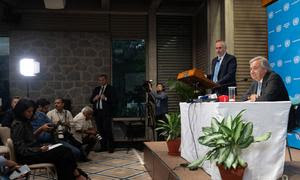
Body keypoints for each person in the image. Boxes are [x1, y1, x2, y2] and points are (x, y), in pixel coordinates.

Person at [11, 98, 88, 180]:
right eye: (28, 111)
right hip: (27, 156)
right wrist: (39, 149)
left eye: (32, 111)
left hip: (33, 151)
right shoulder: (18, 124)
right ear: (21, 111)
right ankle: (77, 175)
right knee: (64, 152)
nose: (31, 114)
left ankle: (76, 175)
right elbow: (21, 150)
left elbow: (29, 139)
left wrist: (41, 134)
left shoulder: (25, 121)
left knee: (63, 152)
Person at [90, 74, 115, 153]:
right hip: (98, 113)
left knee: (108, 130)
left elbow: (114, 101)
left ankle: (111, 147)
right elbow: (91, 100)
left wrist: (105, 98)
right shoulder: (96, 89)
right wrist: (94, 98)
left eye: (103, 80)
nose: (101, 81)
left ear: (106, 80)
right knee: (100, 131)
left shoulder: (111, 89)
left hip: (106, 113)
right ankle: (103, 146)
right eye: (100, 80)